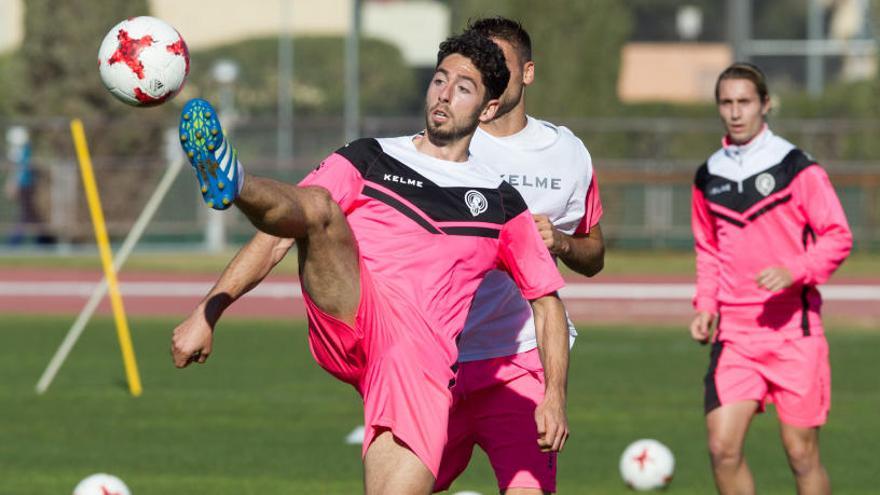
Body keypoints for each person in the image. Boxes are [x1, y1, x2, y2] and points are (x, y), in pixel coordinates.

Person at [170, 31, 571, 495]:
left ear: (487, 109)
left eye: (462, 88)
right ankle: (234, 179)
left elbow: (546, 301)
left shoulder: (501, 203)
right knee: (319, 206)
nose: (444, 94)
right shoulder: (371, 157)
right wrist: (208, 311)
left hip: (413, 360)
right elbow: (278, 238)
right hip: (351, 309)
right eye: (439, 80)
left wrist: (554, 394)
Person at [433, 18, 604, 495]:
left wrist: (563, 243)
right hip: (440, 358)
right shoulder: (441, 144)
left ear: (527, 73)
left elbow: (594, 254)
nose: (488, 75)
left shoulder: (566, 153)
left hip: (520, 359)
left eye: (500, 66)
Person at [690, 62, 852, 495]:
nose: (735, 112)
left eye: (744, 102)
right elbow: (708, 249)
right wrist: (706, 305)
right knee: (723, 448)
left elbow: (838, 235)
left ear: (765, 104)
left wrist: (795, 270)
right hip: (736, 338)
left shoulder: (796, 167)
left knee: (801, 454)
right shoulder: (709, 175)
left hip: (794, 335)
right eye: (726, 103)